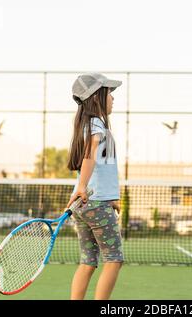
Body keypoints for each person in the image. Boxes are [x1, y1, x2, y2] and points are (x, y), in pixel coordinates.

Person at [66, 73, 123, 300]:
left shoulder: (87, 124)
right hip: (93, 202)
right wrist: (82, 186)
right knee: (114, 259)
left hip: (87, 203)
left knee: (88, 261)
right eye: (109, 93)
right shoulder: (96, 124)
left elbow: (99, 166)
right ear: (97, 97)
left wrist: (110, 197)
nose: (113, 98)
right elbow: (89, 154)